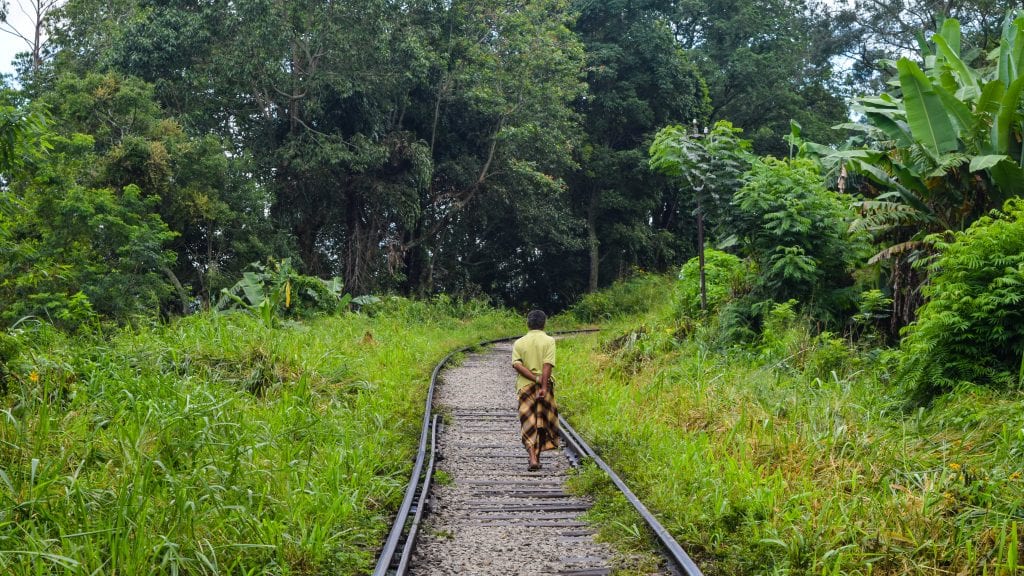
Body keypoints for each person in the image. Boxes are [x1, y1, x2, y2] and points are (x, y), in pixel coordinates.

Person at [512, 309, 559, 471]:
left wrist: (534, 379)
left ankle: (532, 457)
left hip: (524, 387)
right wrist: (543, 385)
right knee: (542, 422)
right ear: (544, 323)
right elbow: (548, 364)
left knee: (528, 421)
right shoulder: (549, 341)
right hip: (545, 386)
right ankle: (536, 457)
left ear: (528, 324)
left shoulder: (519, 343)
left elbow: (517, 365)